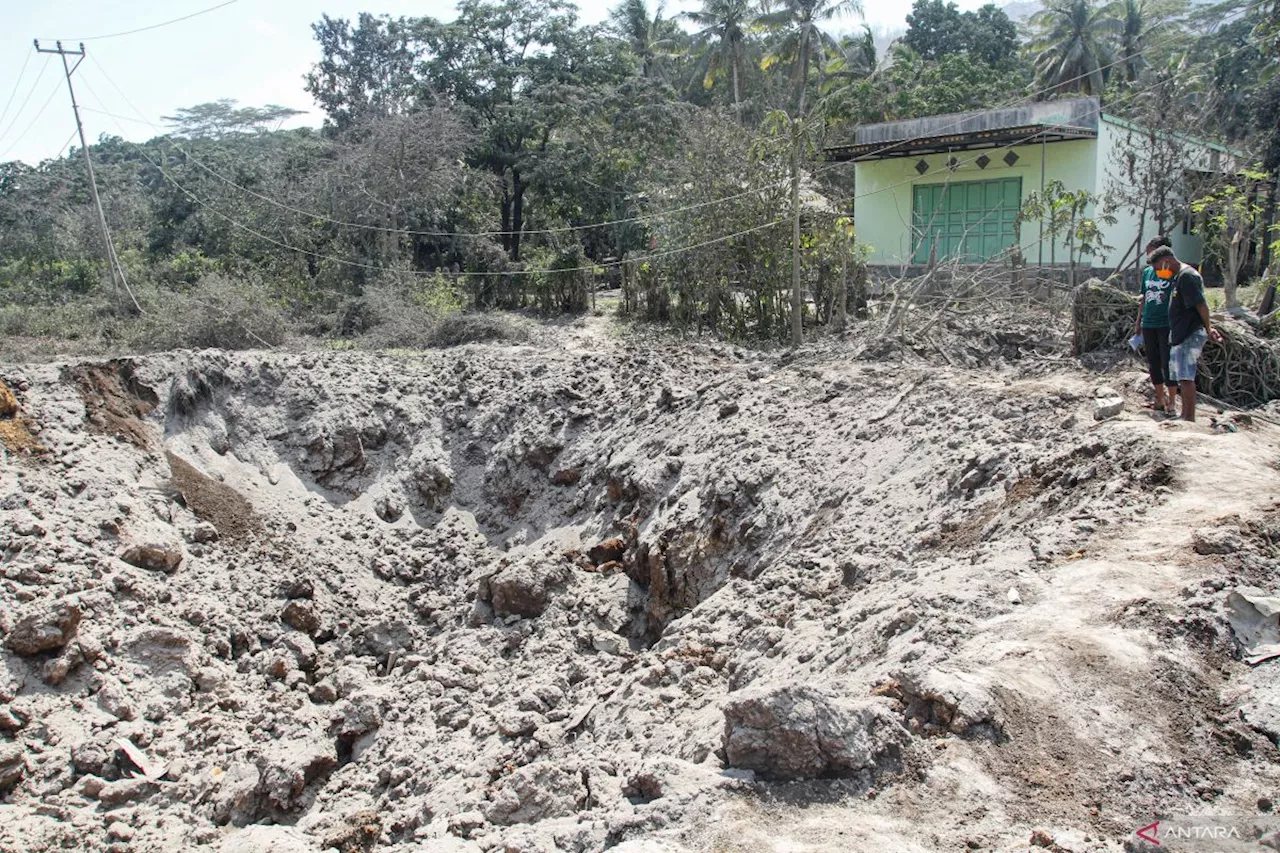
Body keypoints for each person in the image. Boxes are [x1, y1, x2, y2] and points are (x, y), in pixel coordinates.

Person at [1149, 246, 1223, 422]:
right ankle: (1185, 415)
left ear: (1167, 262)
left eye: (1158, 268)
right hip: (1181, 333)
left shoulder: (1188, 276)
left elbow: (1201, 305)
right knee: (1182, 376)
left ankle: (1188, 417)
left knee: (1186, 376)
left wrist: (1208, 328)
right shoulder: (1179, 277)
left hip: (1189, 332)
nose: (1158, 272)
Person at [1133, 235, 1177, 415]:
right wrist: (1139, 322)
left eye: (1150, 249)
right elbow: (1143, 298)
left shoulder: (1174, 273)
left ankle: (1172, 403)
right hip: (1149, 323)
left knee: (1168, 363)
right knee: (1153, 362)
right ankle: (1159, 399)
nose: (1147, 253)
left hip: (1166, 324)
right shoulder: (1147, 272)